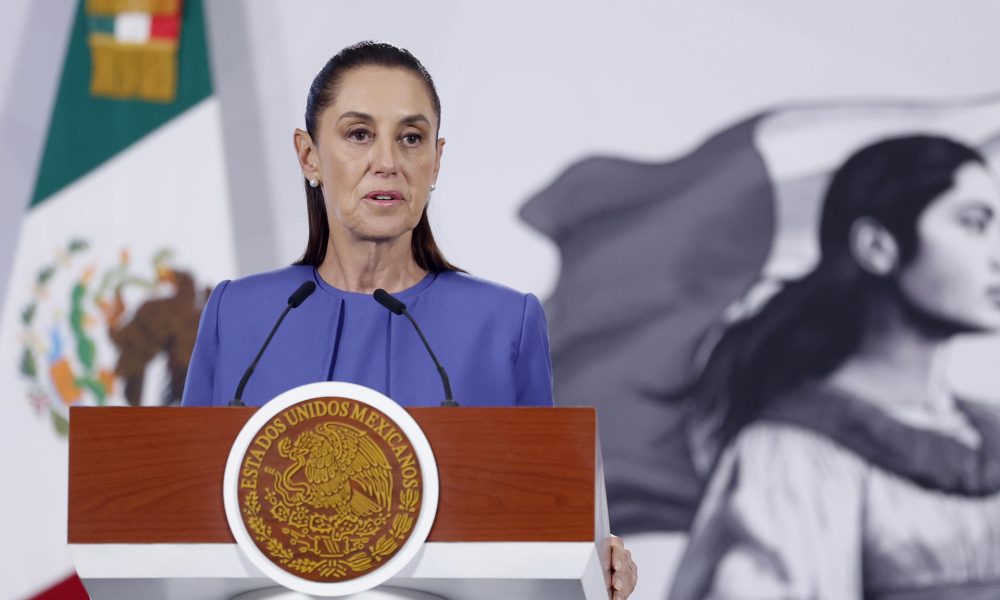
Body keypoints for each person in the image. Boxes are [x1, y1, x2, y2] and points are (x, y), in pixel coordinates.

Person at [181, 41, 636, 598]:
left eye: (411, 138)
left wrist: (593, 556)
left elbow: (539, 519)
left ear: (436, 161)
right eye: (358, 134)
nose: (388, 162)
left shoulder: (503, 324)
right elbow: (183, 515)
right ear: (309, 156)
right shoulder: (240, 315)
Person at [669, 135, 1000, 599]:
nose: (996, 254)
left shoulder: (988, 431)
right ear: (877, 246)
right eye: (974, 224)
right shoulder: (793, 452)